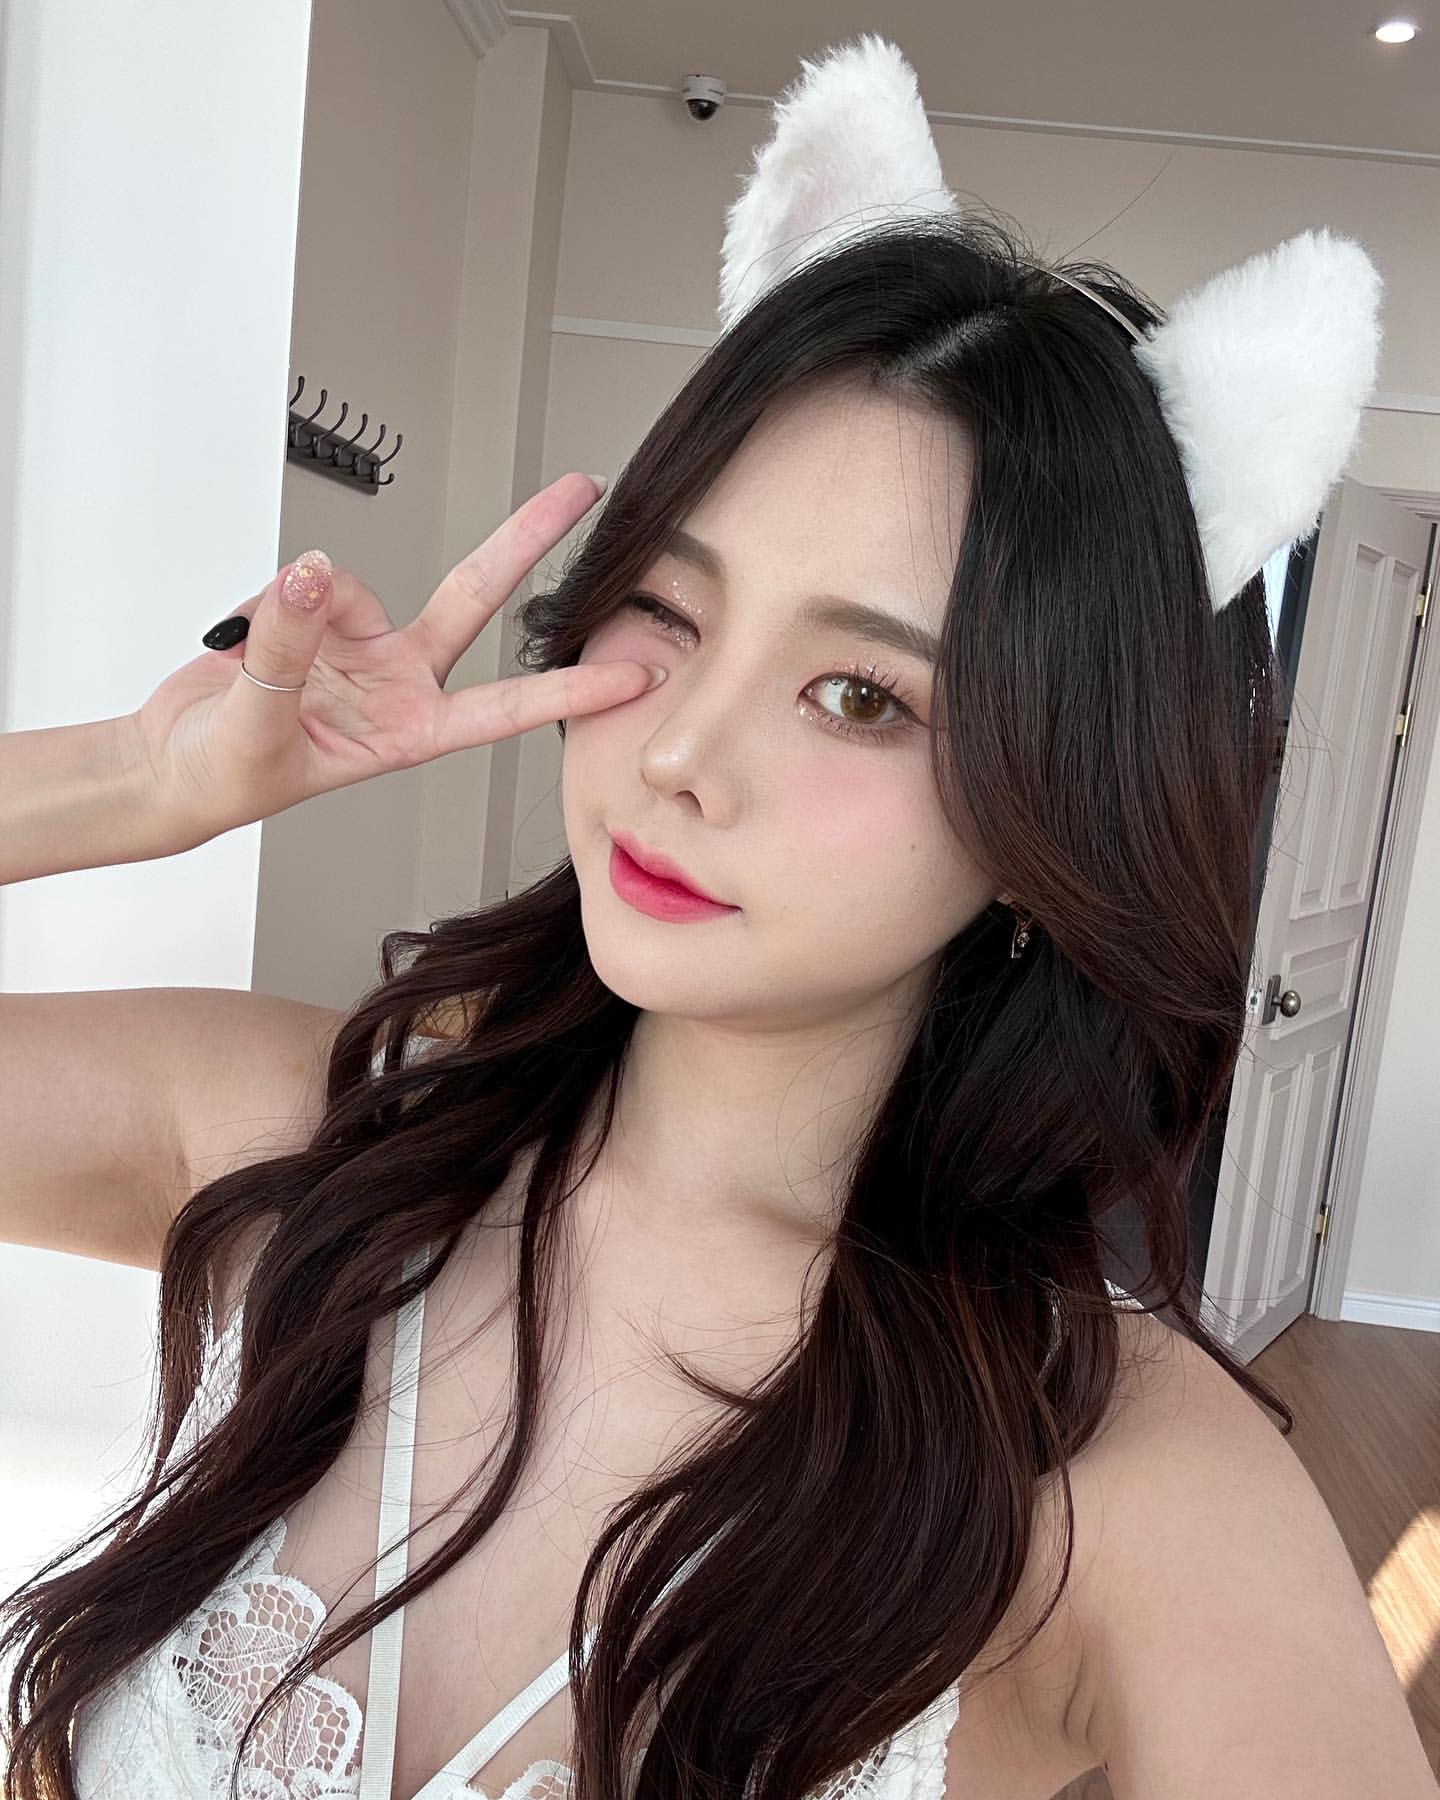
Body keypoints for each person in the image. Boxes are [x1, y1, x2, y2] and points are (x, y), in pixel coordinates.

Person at [2, 33, 1435, 1800]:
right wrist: (125, 785)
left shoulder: (1109, 1486)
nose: (681, 752)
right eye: (670, 615)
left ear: (1052, 811)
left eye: (862, 695)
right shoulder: (291, 1140)